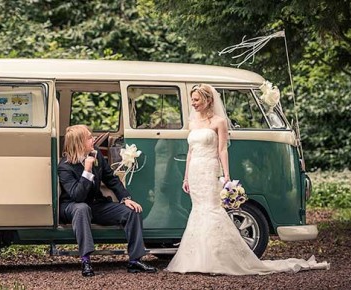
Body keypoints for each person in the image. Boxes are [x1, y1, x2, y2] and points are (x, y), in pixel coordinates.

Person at [165, 84, 329, 274]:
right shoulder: (192, 124)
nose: (193, 104)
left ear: (208, 100)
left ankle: (218, 257)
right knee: (198, 210)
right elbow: (190, 152)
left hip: (209, 168)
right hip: (194, 171)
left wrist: (226, 175)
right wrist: (186, 177)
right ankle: (198, 259)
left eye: (196, 100)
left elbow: (222, 149)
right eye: (192, 100)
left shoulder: (219, 121)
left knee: (212, 209)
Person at [59, 125, 157, 277]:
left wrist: (126, 198)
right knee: (82, 208)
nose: (94, 140)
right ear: (79, 143)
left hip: (96, 205)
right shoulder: (65, 166)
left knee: (132, 211)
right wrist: (87, 170)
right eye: (89, 138)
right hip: (72, 207)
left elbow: (111, 179)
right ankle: (85, 260)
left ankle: (134, 261)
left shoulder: (96, 154)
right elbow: (77, 196)